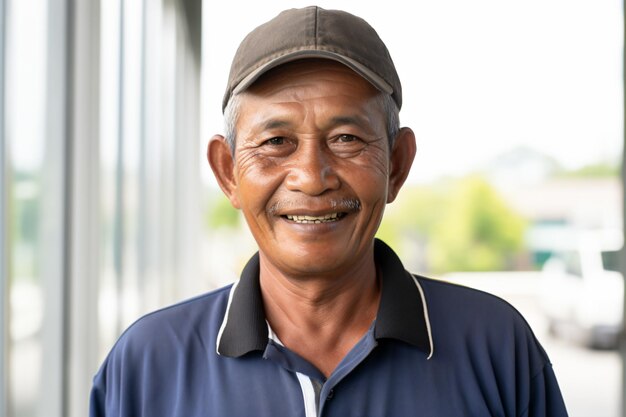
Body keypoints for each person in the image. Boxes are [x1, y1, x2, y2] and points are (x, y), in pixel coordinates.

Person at [89, 6, 568, 417]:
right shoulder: (148, 364)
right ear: (228, 171)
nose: (312, 176)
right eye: (276, 142)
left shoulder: (496, 348)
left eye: (346, 139)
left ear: (397, 165)